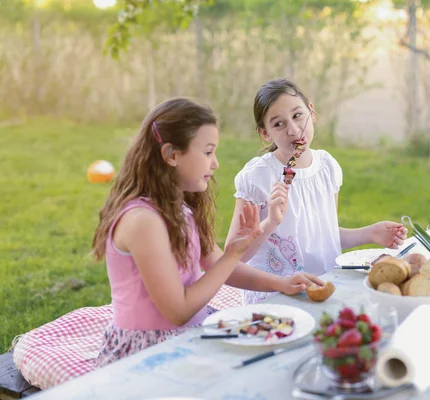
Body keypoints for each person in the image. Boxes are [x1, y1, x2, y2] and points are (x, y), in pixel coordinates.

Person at [91, 98, 322, 367]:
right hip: (150, 350)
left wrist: (281, 283)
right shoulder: (143, 222)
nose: (216, 164)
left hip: (192, 331)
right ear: (171, 155)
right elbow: (178, 311)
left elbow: (217, 264)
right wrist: (232, 254)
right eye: (208, 152)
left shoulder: (180, 208)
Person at [225, 78, 408, 305]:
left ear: (311, 112)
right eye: (278, 124)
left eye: (297, 115)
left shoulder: (327, 168)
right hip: (276, 297)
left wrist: (370, 233)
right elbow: (234, 257)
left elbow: (323, 235)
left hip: (325, 288)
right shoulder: (258, 178)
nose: (293, 130)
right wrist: (271, 221)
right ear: (265, 133)